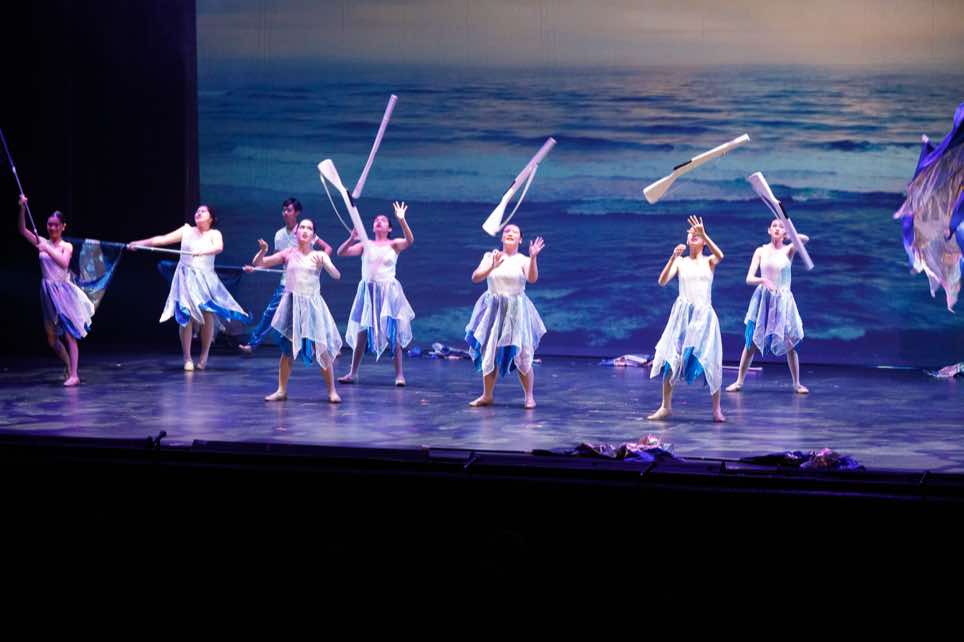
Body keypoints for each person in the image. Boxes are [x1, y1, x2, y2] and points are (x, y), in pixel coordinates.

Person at [128, 204, 250, 370]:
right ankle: (187, 357)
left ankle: (204, 356)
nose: (198, 213)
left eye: (203, 211)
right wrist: (139, 243)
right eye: (197, 211)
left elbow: (218, 247)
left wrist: (202, 252)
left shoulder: (214, 233)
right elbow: (161, 239)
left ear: (211, 218)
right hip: (186, 277)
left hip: (205, 279)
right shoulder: (186, 230)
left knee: (207, 314)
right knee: (185, 314)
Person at [251, 218, 343, 403]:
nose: (305, 230)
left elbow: (336, 275)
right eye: (302, 227)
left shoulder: (319, 255)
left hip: (312, 307)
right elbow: (259, 263)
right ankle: (281, 390)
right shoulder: (289, 253)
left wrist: (326, 263)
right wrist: (263, 250)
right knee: (287, 350)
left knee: (321, 349)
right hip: (292, 306)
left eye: (309, 228)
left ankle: (332, 391)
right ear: (296, 232)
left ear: (314, 235)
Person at [648, 215, 725, 422]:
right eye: (691, 233)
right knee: (670, 357)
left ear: (703, 241)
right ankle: (665, 406)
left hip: (704, 318)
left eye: (697, 234)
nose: (693, 235)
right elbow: (662, 281)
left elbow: (720, 255)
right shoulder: (681, 262)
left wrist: (704, 233)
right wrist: (673, 257)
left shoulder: (709, 261)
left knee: (711, 360)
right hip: (682, 317)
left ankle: (716, 409)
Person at [465, 224, 546, 409]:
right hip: (493, 308)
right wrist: (491, 267)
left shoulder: (523, 260)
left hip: (516, 309)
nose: (510, 233)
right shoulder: (491, 256)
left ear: (520, 240)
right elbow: (475, 277)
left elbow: (532, 278)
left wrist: (534, 257)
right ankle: (487, 395)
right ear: (501, 238)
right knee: (489, 351)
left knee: (522, 352)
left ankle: (529, 396)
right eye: (507, 231)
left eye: (515, 232)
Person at [17, 194, 94, 386]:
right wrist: (22, 208)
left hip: (63, 293)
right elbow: (22, 230)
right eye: (49, 225)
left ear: (63, 227)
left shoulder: (66, 246)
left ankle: (74, 375)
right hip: (47, 293)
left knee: (69, 334)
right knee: (52, 340)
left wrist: (46, 248)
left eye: (56, 225)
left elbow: (64, 263)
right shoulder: (42, 241)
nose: (52, 228)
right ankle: (68, 365)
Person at [726, 218, 810, 393]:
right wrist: (763, 280)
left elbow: (804, 239)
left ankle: (796, 383)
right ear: (769, 230)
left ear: (785, 232)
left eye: (781, 227)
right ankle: (739, 381)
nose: (777, 229)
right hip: (763, 299)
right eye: (774, 226)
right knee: (751, 342)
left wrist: (791, 232)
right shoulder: (761, 251)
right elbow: (749, 278)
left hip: (783, 300)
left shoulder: (789, 249)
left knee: (790, 342)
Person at [336, 201, 415, 386]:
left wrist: (402, 220)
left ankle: (399, 375)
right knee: (362, 333)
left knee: (393, 333)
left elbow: (410, 241)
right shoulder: (366, 244)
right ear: (372, 227)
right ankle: (353, 373)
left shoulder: (394, 244)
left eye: (383, 220)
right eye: (376, 220)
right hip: (368, 292)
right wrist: (351, 238)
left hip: (388, 292)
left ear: (389, 228)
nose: (379, 221)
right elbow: (341, 253)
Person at [239, 197, 331, 353]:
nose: (285, 213)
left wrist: (319, 264)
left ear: (297, 213)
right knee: (270, 314)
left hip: (306, 285)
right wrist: (255, 268)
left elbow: (327, 249)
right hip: (287, 284)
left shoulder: (305, 230)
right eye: (284, 210)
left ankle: (326, 346)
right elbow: (275, 260)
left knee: (313, 317)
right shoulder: (279, 235)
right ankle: (252, 344)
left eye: (289, 210)